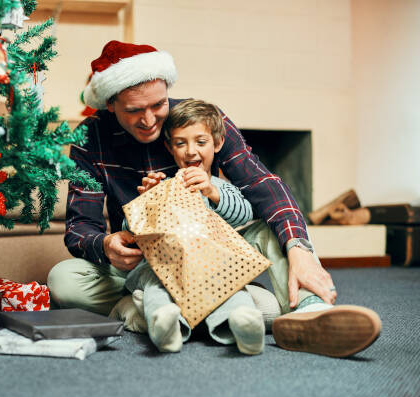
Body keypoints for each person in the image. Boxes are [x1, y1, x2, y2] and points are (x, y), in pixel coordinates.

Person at [48, 40, 381, 357]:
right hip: (147, 263)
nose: (149, 120)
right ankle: (219, 309)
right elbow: (80, 227)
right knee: (63, 281)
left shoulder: (200, 120)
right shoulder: (90, 137)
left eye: (158, 105)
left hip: (214, 255)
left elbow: (261, 184)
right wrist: (106, 245)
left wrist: (299, 249)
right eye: (134, 110)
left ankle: (310, 310)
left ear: (168, 92)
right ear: (110, 104)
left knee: (274, 233)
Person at [124, 99, 267, 355]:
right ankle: (165, 325)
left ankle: (244, 324)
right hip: (168, 269)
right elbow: (133, 229)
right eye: (181, 143)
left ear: (218, 144)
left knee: (234, 291)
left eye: (201, 142)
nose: (191, 151)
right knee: (156, 289)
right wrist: (149, 200)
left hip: (215, 269)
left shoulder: (219, 186)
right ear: (169, 147)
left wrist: (212, 191)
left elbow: (245, 213)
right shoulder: (164, 186)